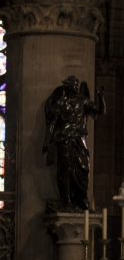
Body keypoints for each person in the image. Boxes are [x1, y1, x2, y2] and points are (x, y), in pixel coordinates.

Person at [43, 75, 105, 212]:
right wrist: (48, 141)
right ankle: (67, 201)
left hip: (79, 140)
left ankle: (81, 199)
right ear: (68, 86)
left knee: (84, 168)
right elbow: (53, 123)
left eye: (77, 84)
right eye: (73, 84)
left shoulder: (83, 101)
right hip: (64, 139)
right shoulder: (61, 103)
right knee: (66, 169)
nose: (76, 87)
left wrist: (100, 97)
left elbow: (100, 111)